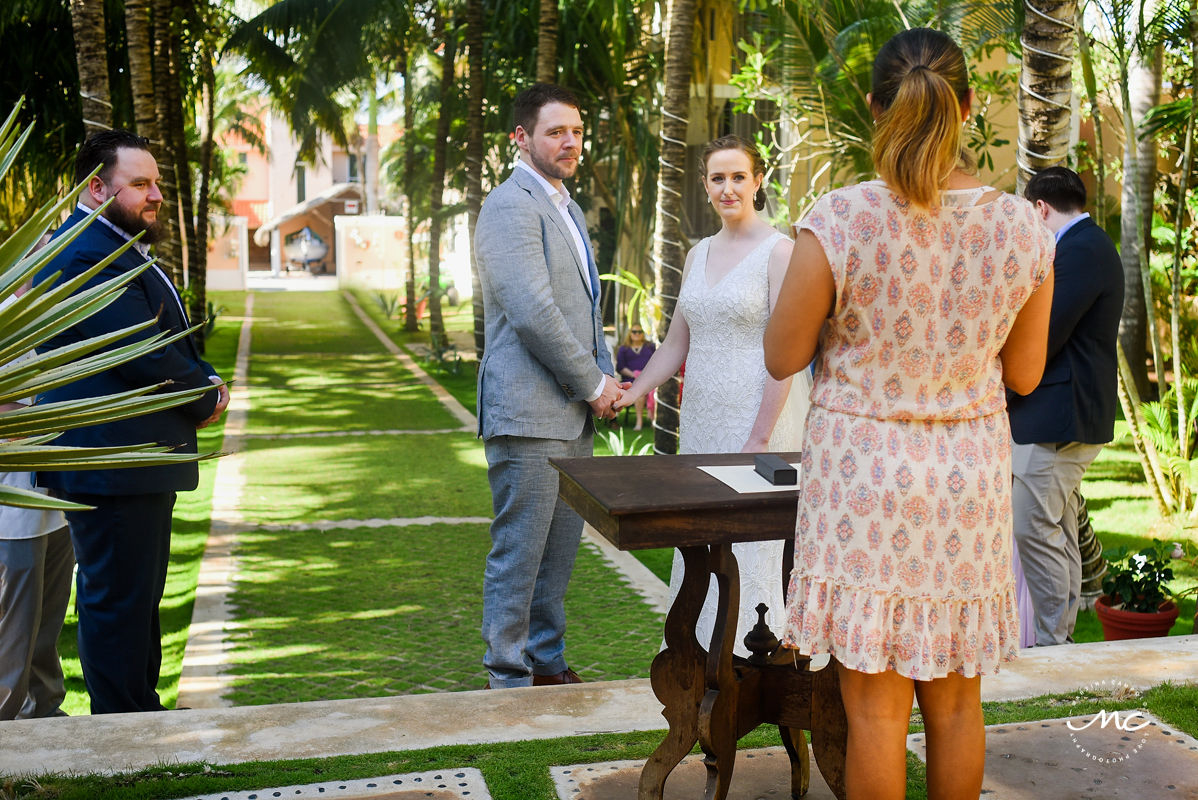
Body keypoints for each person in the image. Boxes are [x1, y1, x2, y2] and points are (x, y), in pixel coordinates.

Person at [763, 28, 1054, 799]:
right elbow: (1024, 373)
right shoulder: (1024, 228)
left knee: (877, 713)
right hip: (965, 482)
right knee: (957, 703)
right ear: (965, 107)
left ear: (873, 108)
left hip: (863, 483)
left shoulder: (841, 219)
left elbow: (781, 355)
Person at [34, 129, 229, 714]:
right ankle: (121, 734)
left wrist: (207, 376)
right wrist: (206, 397)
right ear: (97, 188)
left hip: (134, 460)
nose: (155, 194)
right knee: (117, 603)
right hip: (112, 462)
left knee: (137, 601)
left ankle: (142, 721)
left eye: (157, 182)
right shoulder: (87, 253)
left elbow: (170, 341)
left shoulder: (116, 244)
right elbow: (140, 352)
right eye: (139, 183)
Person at [615, 135, 812, 656]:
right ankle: (700, 652)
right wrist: (634, 390)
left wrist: (760, 435)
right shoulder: (698, 253)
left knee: (755, 540)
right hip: (702, 420)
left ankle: (758, 656)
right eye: (718, 178)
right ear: (704, 186)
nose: (728, 187)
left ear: (758, 181)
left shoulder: (781, 252)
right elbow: (678, 341)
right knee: (702, 532)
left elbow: (788, 352)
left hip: (758, 417)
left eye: (738, 176)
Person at [474, 84, 621, 689]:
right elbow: (534, 311)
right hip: (529, 414)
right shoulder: (509, 206)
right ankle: (507, 677)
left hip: (572, 415)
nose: (569, 143)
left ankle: (547, 662)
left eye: (577, 132)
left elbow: (586, 310)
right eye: (556, 132)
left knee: (557, 557)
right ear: (521, 138)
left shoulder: (568, 207)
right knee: (519, 554)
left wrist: (606, 379)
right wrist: (592, 384)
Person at [1010, 166, 1124, 647]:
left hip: (1059, 413)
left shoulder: (1078, 250)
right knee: (1056, 524)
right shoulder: (1088, 244)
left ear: (1040, 208)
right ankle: (1060, 635)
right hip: (1065, 411)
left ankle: (1055, 642)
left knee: (1033, 524)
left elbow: (1043, 336)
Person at [0, 287, 73, 720]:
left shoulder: (52, 321)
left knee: (46, 634)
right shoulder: (6, 320)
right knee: (14, 634)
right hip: (13, 513)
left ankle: (45, 719)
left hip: (55, 504)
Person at [614, 326, 656, 430]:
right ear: (630, 333)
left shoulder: (650, 346)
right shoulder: (624, 349)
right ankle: (639, 422)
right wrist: (634, 374)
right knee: (639, 393)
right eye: (634, 332)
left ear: (643, 333)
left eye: (639, 332)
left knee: (656, 392)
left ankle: (654, 421)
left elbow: (656, 362)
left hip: (649, 379)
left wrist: (645, 374)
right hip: (631, 380)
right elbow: (620, 367)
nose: (637, 334)